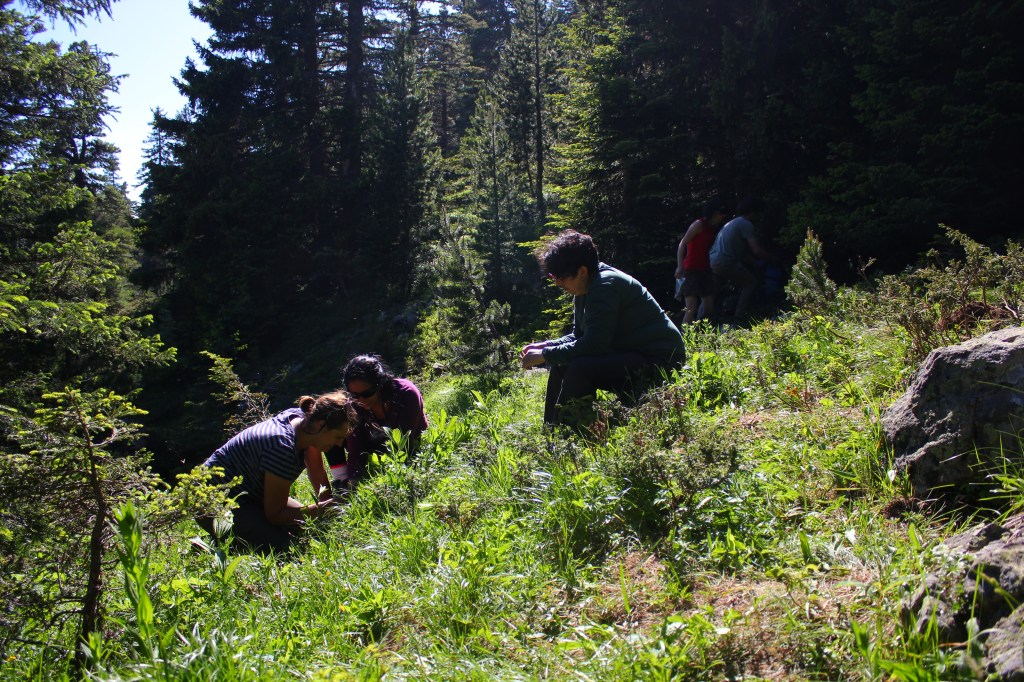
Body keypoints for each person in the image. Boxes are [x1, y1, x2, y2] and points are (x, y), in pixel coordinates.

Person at [520, 230, 686, 427]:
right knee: (562, 364)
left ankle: (572, 432)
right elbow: (579, 335)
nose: (557, 282)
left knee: (580, 367)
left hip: (661, 362)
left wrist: (546, 354)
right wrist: (546, 346)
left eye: (561, 277)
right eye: (553, 276)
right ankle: (552, 429)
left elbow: (595, 344)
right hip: (634, 354)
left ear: (582, 271)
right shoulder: (585, 287)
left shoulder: (605, 286)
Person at [199, 391, 356, 554]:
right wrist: (324, 508)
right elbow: (275, 514)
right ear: (320, 425)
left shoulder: (303, 421)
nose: (339, 444)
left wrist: (328, 508)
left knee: (307, 527)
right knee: (287, 547)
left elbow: (315, 468)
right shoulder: (282, 448)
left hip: (250, 493)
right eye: (337, 437)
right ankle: (210, 548)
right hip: (213, 504)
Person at [325, 354, 428, 491]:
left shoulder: (406, 394)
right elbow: (355, 447)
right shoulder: (356, 406)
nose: (360, 400)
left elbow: (405, 444)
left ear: (380, 384)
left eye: (367, 393)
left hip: (410, 444)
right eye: (354, 395)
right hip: (379, 447)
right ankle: (341, 483)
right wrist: (353, 481)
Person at [709, 196, 779, 320]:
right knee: (750, 283)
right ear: (752, 212)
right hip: (725, 261)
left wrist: (755, 263)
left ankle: (707, 319)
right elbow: (756, 250)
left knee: (713, 293)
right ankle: (739, 318)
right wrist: (772, 259)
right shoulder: (746, 224)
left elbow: (742, 254)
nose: (759, 217)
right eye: (759, 213)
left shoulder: (734, 222)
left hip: (714, 260)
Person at [674, 198, 729, 324]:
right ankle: (684, 338)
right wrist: (680, 266)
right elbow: (682, 244)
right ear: (715, 214)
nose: (722, 218)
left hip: (706, 269)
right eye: (721, 215)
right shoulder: (698, 225)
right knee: (691, 308)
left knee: (709, 307)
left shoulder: (713, 228)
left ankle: (700, 335)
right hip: (691, 270)